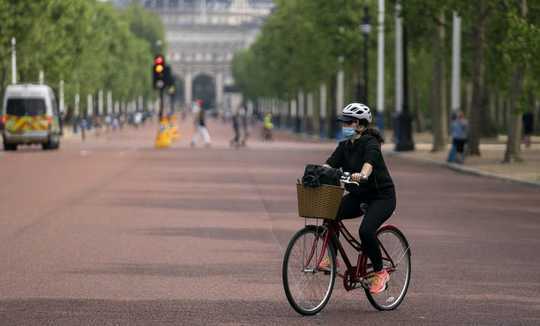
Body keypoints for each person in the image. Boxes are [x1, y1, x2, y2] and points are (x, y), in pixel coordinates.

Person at [323, 103, 396, 295]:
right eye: (344, 122)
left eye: (348, 122)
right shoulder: (345, 146)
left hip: (381, 198)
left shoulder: (371, 143)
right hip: (359, 195)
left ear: (359, 124)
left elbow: (369, 164)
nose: (344, 126)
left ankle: (380, 272)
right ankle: (331, 258)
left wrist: (362, 174)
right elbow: (329, 165)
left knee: (366, 231)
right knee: (330, 211)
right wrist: (317, 173)